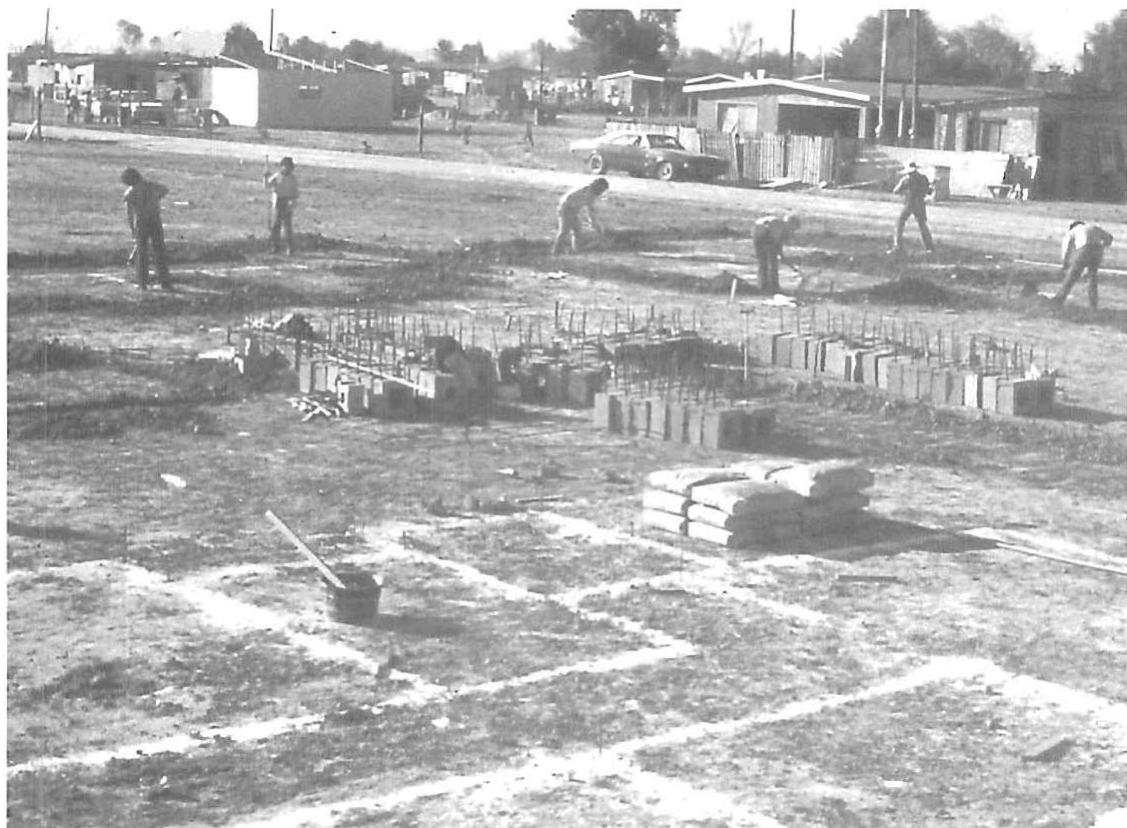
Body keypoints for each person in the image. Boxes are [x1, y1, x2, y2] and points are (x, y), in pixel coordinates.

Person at [121, 167, 172, 290]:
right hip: (155, 220)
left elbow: (129, 214)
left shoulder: (130, 193)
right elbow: (165, 190)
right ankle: (165, 281)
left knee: (142, 253)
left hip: (141, 222)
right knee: (159, 251)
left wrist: (132, 229)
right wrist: (155, 199)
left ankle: (142, 283)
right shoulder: (152, 186)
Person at [1053, 220, 1113, 309]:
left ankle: (1059, 299)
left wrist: (1065, 263)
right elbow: (1109, 237)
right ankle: (1093, 304)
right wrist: (1103, 246)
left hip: (1084, 250)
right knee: (1091, 277)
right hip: (1098, 250)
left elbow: (1066, 248)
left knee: (1072, 276)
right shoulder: (1094, 227)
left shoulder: (1072, 231)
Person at [551, 176, 609, 255]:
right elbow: (590, 209)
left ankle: (576, 250)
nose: (601, 192)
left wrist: (593, 222)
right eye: (602, 189)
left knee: (577, 231)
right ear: (598, 186)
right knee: (564, 231)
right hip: (566, 208)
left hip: (574, 209)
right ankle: (556, 251)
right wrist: (594, 223)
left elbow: (590, 209)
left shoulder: (590, 192)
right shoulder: (588, 192)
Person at [890, 161, 935, 254]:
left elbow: (895, 191)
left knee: (900, 223)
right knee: (922, 225)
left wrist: (904, 191)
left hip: (910, 203)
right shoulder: (924, 178)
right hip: (920, 204)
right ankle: (929, 247)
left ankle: (897, 246)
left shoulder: (906, 179)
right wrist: (932, 185)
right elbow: (929, 192)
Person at [752, 213, 800, 293]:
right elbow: (775, 245)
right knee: (769, 261)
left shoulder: (780, 225)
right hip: (763, 235)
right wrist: (782, 257)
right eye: (793, 229)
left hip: (759, 233)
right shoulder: (780, 225)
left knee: (765, 261)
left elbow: (777, 245)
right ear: (791, 224)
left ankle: (766, 285)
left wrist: (783, 259)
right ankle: (769, 286)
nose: (792, 232)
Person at [264, 156, 299, 255]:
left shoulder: (292, 179)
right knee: (276, 226)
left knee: (287, 227)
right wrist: (265, 177)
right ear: (282, 166)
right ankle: (275, 247)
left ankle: (290, 248)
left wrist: (292, 203)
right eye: (285, 166)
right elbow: (267, 186)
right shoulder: (277, 176)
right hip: (278, 202)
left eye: (289, 167)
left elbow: (295, 193)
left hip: (287, 202)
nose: (287, 168)